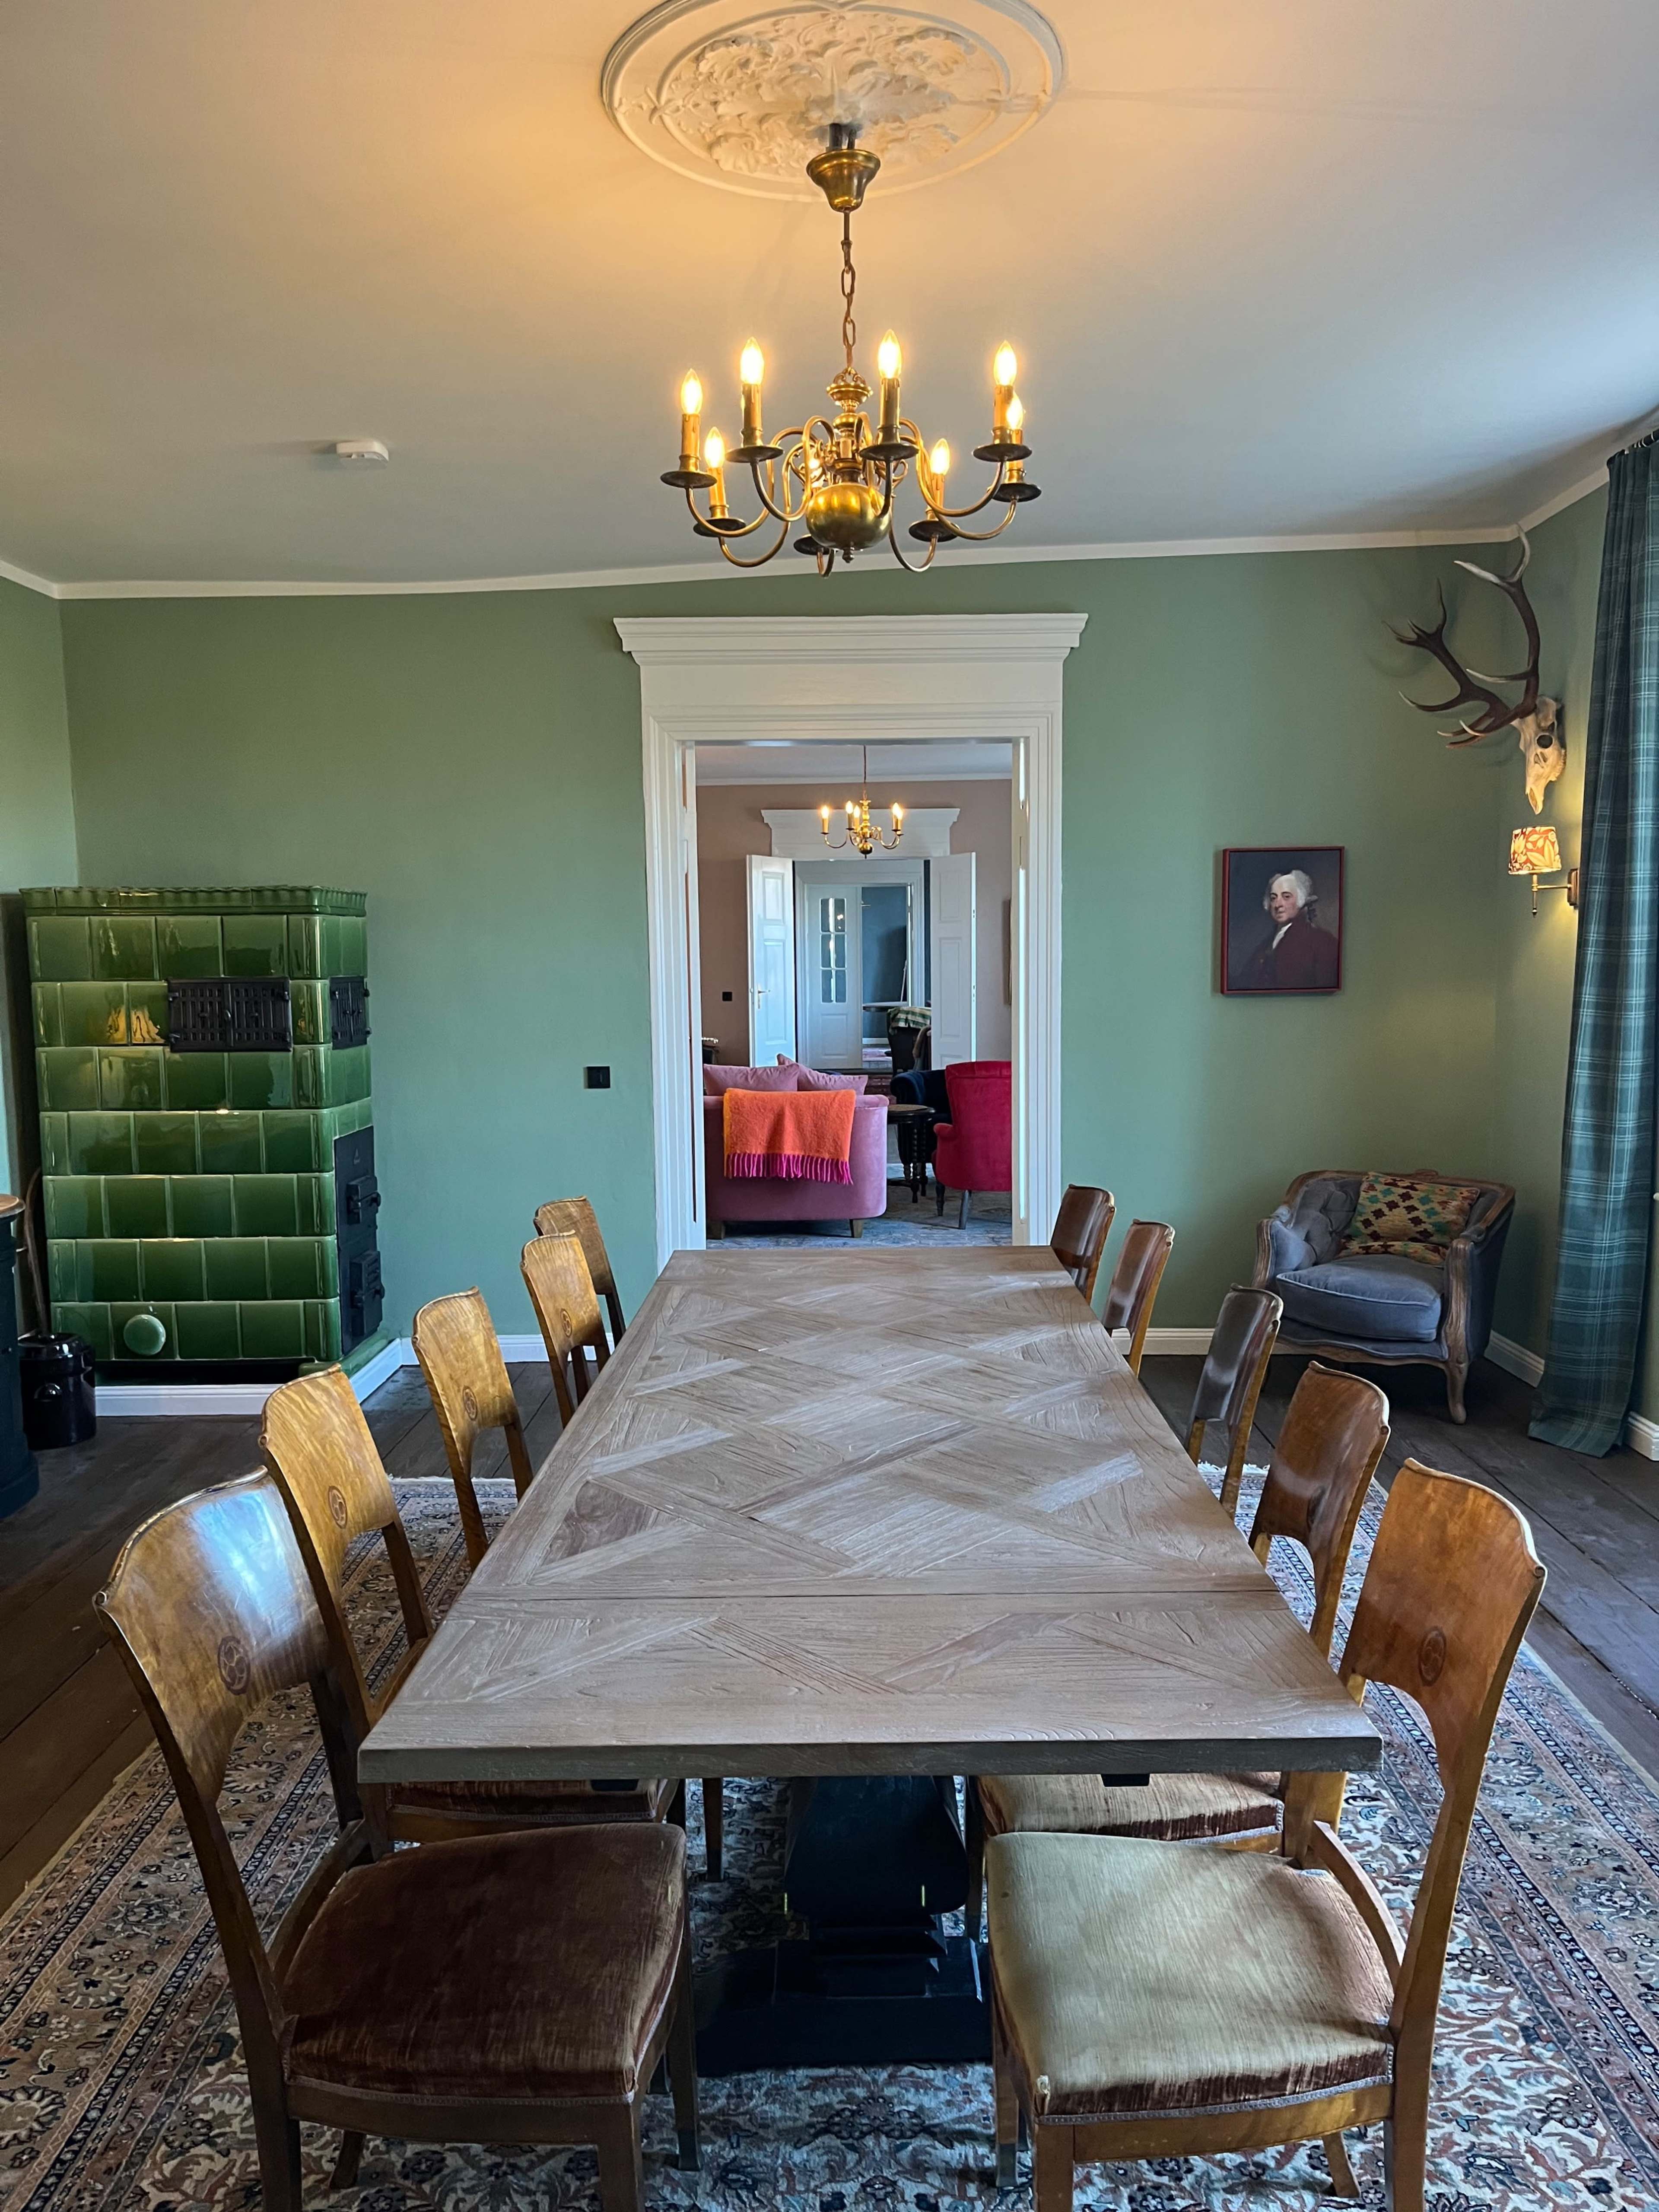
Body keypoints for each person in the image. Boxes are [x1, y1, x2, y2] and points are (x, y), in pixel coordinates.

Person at [1240, 869, 1338, 989]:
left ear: (1300, 900)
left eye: (1286, 897)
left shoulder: (1322, 942)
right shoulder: (1266, 944)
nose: (1278, 905)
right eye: (1273, 898)